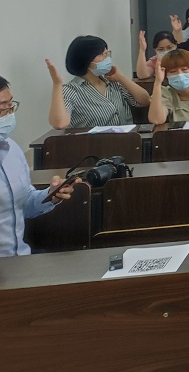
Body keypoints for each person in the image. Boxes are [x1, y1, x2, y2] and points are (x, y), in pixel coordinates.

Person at [0, 76, 80, 256]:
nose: (9, 114)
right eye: (2, 108)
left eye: (11, 105)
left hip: (20, 258)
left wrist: (51, 195)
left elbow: (23, 203)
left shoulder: (12, 149)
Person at [46, 36, 151, 129]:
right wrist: (57, 84)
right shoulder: (71, 90)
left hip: (127, 141)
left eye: (108, 54)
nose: (107, 58)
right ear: (86, 60)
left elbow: (144, 100)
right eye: (102, 55)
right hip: (92, 144)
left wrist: (121, 78)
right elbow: (59, 124)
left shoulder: (113, 82)